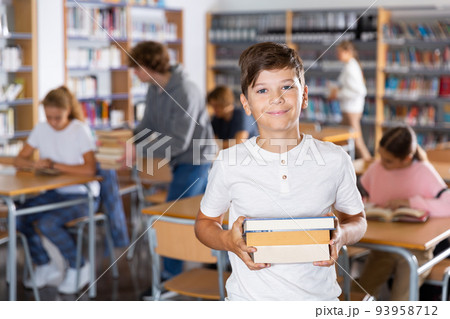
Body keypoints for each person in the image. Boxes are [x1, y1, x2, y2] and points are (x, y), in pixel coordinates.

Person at [194, 42, 367, 301]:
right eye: (262, 90)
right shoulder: (228, 162)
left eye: (287, 87)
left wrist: (341, 236)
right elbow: (204, 224)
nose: (276, 98)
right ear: (246, 103)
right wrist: (229, 241)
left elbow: (358, 221)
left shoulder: (335, 159)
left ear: (305, 95)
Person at [128, 41, 215, 285]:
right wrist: (129, 141)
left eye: (136, 68)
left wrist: (140, 151)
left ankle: (169, 278)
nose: (134, 73)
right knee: (208, 215)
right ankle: (219, 264)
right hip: (181, 161)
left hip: (197, 159)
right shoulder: (153, 89)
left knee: (170, 217)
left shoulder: (185, 91)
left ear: (149, 65)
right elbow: (148, 125)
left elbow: (179, 142)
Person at [14, 86, 100, 294]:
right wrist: (33, 164)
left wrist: (54, 165)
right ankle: (44, 264)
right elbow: (19, 159)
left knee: (47, 223)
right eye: (49, 117)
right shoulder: (41, 128)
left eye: (58, 118)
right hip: (54, 192)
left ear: (68, 110)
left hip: (83, 195)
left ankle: (79, 266)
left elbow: (90, 168)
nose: (53, 122)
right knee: (18, 217)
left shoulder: (79, 130)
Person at [354, 125, 450, 301]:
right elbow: (362, 197)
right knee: (359, 291)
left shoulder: (423, 171)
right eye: (380, 156)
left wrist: (410, 202)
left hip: (415, 251)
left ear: (407, 159)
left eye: (388, 160)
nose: (381, 163)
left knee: (401, 299)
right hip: (384, 246)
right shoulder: (377, 167)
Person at [329, 40, 372, 161]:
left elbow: (360, 91)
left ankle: (371, 167)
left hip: (352, 110)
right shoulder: (349, 65)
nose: (337, 55)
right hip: (348, 109)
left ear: (348, 52)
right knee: (340, 138)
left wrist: (338, 93)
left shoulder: (351, 67)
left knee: (357, 141)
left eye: (339, 52)